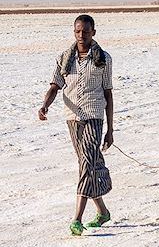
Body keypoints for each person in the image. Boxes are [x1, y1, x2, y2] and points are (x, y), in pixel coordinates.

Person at [39, 14, 114, 235]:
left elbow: (108, 94)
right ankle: (102, 211)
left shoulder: (103, 59)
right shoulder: (64, 58)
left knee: (86, 164)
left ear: (94, 32)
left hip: (94, 116)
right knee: (87, 164)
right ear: (74, 32)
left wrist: (110, 129)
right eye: (78, 31)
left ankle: (77, 219)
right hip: (72, 118)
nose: (82, 35)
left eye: (86, 31)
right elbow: (55, 86)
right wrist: (45, 105)